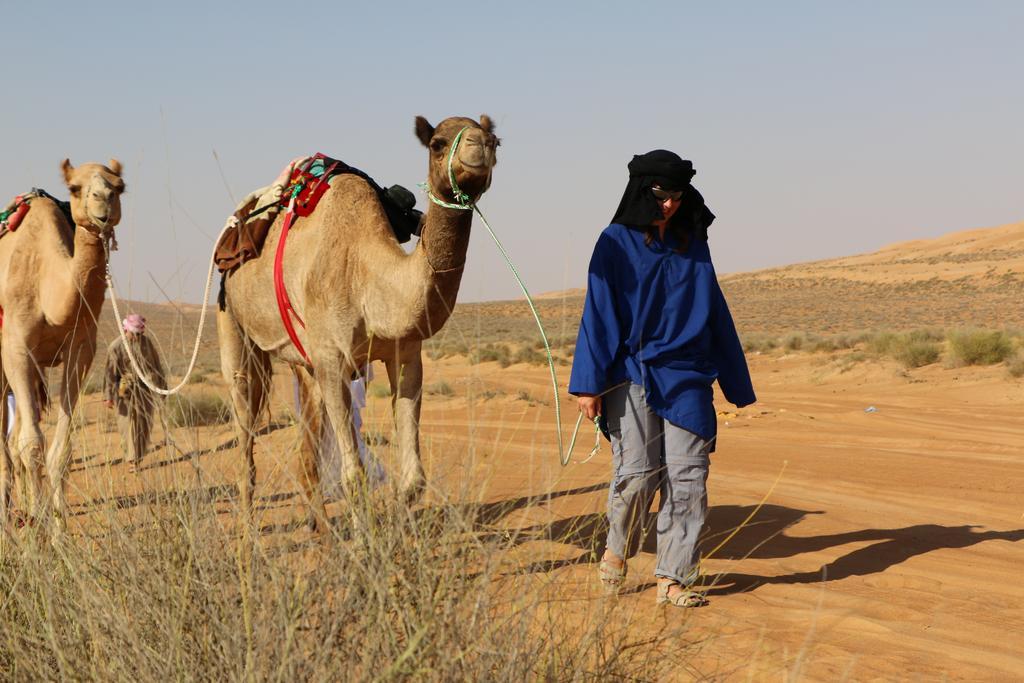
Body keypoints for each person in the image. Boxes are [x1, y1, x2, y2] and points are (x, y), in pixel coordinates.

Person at [568, 150, 756, 608]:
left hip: (688, 374)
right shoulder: (614, 241)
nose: (669, 205)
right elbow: (599, 312)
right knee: (636, 476)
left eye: (677, 196)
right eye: (660, 196)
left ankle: (673, 577)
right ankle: (617, 549)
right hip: (630, 374)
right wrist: (588, 383)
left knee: (689, 476)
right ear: (640, 192)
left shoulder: (694, 242)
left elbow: (713, 308)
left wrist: (735, 381)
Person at [103, 314, 167, 473]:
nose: (137, 337)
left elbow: (157, 366)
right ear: (127, 330)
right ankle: (132, 460)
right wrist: (108, 397)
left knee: (144, 423)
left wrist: (162, 388)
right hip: (124, 388)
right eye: (134, 334)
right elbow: (109, 374)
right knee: (128, 424)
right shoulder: (116, 346)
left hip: (145, 387)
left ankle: (138, 457)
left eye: (140, 334)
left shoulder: (147, 343)